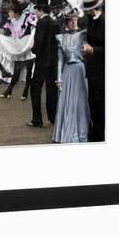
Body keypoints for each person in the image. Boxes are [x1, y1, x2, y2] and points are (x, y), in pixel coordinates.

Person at [52, 10, 91, 143]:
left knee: (80, 101)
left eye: (75, 20)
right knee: (67, 101)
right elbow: (60, 60)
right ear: (66, 23)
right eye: (70, 20)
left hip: (80, 70)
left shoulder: (82, 35)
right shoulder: (61, 38)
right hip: (68, 71)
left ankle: (81, 133)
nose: (74, 23)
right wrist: (59, 78)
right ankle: (66, 133)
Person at [27, 0, 59, 128]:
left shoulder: (41, 23)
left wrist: (33, 50)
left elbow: (38, 43)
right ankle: (53, 119)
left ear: (40, 9)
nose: (35, 12)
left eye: (36, 10)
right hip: (53, 62)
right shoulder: (54, 22)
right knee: (52, 91)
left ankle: (37, 119)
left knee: (35, 89)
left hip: (41, 62)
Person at [0, 2, 36, 100]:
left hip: (28, 46)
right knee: (17, 69)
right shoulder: (11, 21)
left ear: (16, 12)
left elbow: (35, 27)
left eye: (10, 11)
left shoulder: (27, 17)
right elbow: (5, 31)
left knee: (29, 69)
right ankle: (9, 91)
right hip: (18, 47)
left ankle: (26, 91)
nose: (9, 14)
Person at [82, 0, 105, 142]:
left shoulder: (104, 21)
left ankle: (99, 134)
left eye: (87, 10)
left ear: (93, 9)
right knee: (92, 102)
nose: (85, 13)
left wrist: (93, 50)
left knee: (100, 103)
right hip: (92, 69)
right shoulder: (91, 20)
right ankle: (94, 131)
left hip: (102, 70)